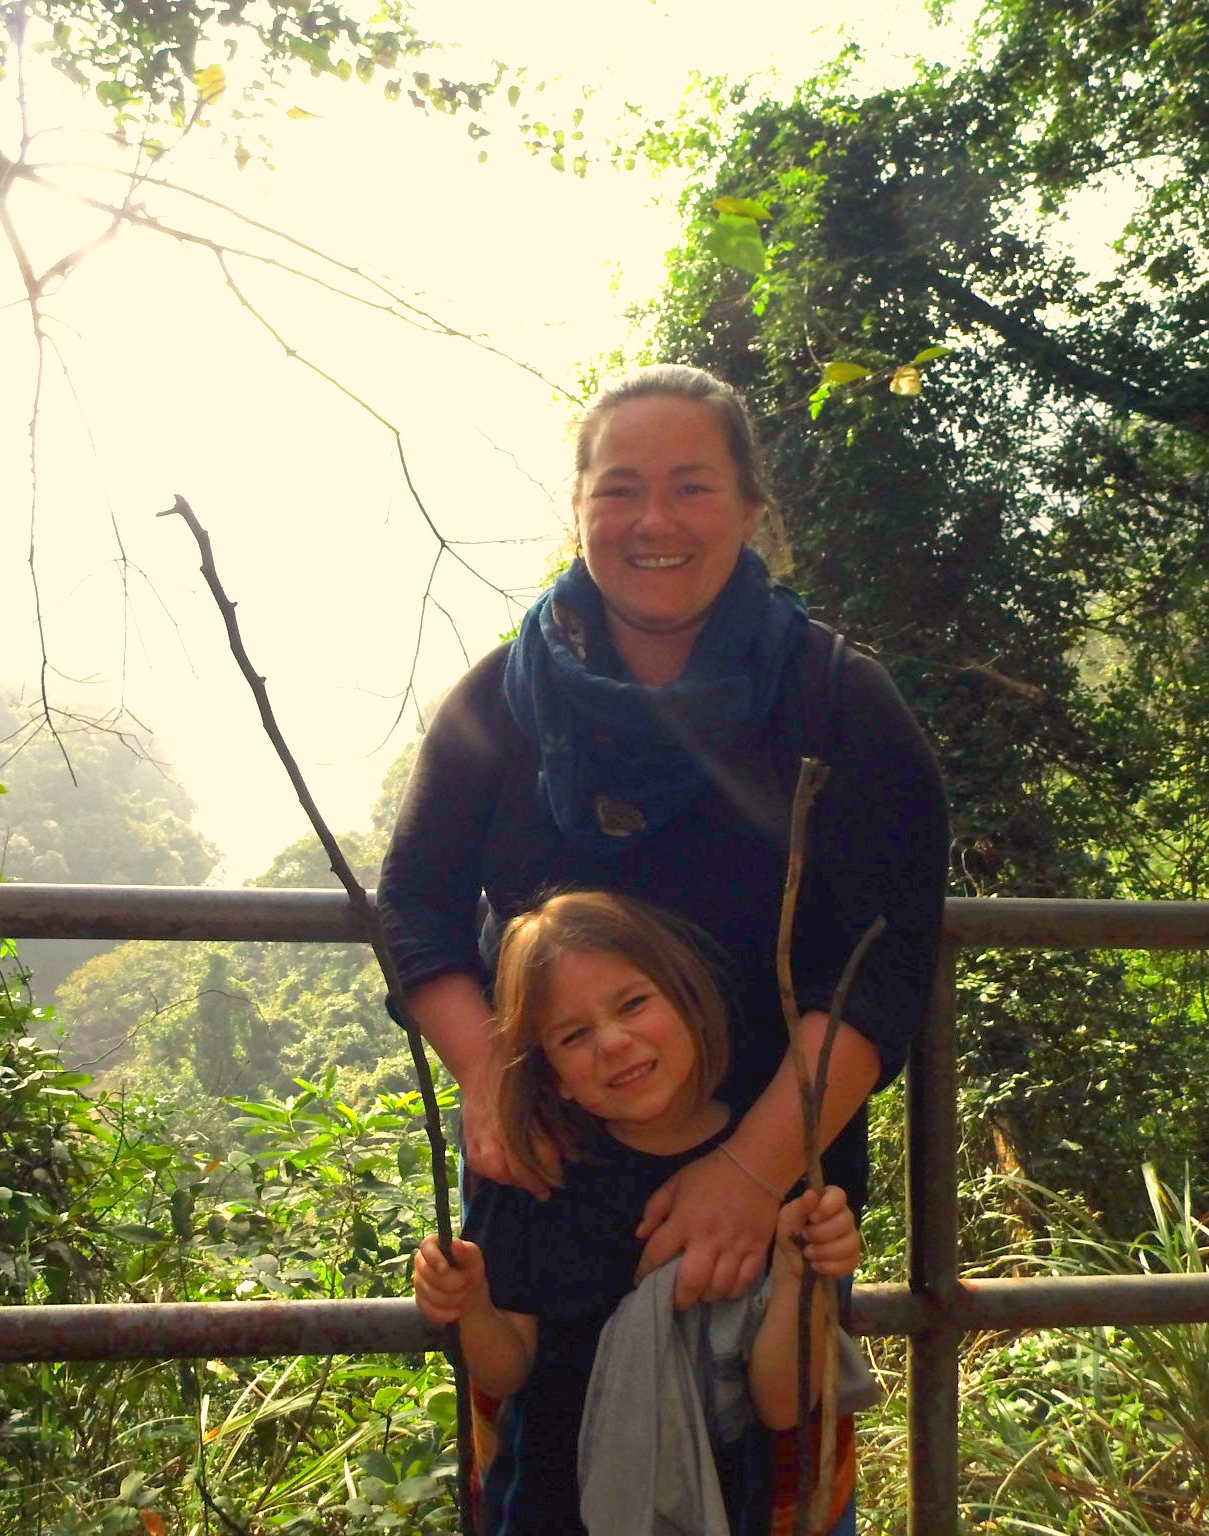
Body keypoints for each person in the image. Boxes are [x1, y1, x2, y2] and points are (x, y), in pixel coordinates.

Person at [379, 362, 949, 1309]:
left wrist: (753, 1171)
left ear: (751, 510)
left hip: (771, 1206)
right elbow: (414, 906)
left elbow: (883, 960)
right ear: (578, 510)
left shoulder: (835, 701)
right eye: (620, 491)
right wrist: (488, 1079)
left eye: (691, 488)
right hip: (546, 1186)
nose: (654, 521)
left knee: (761, 1410)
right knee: (537, 1407)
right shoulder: (503, 702)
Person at [410, 891, 865, 1536]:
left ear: (688, 999)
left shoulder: (775, 1172)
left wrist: (801, 1278)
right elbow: (506, 1371)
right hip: (555, 1508)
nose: (614, 1042)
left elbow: (783, 1402)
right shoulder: (535, 1181)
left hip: (732, 1510)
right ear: (553, 1074)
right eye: (573, 1035)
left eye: (632, 1004)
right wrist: (471, 1305)